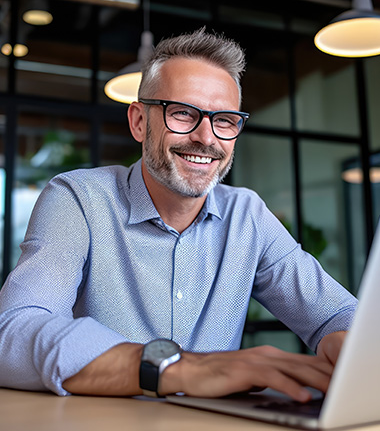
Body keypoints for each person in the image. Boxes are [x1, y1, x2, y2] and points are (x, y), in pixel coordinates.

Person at [0, 28, 357, 402]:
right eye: (183, 113)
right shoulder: (79, 199)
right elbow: (13, 333)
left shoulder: (247, 215)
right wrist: (177, 368)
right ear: (139, 122)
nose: (206, 137)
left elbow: (337, 316)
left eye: (224, 120)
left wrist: (347, 342)